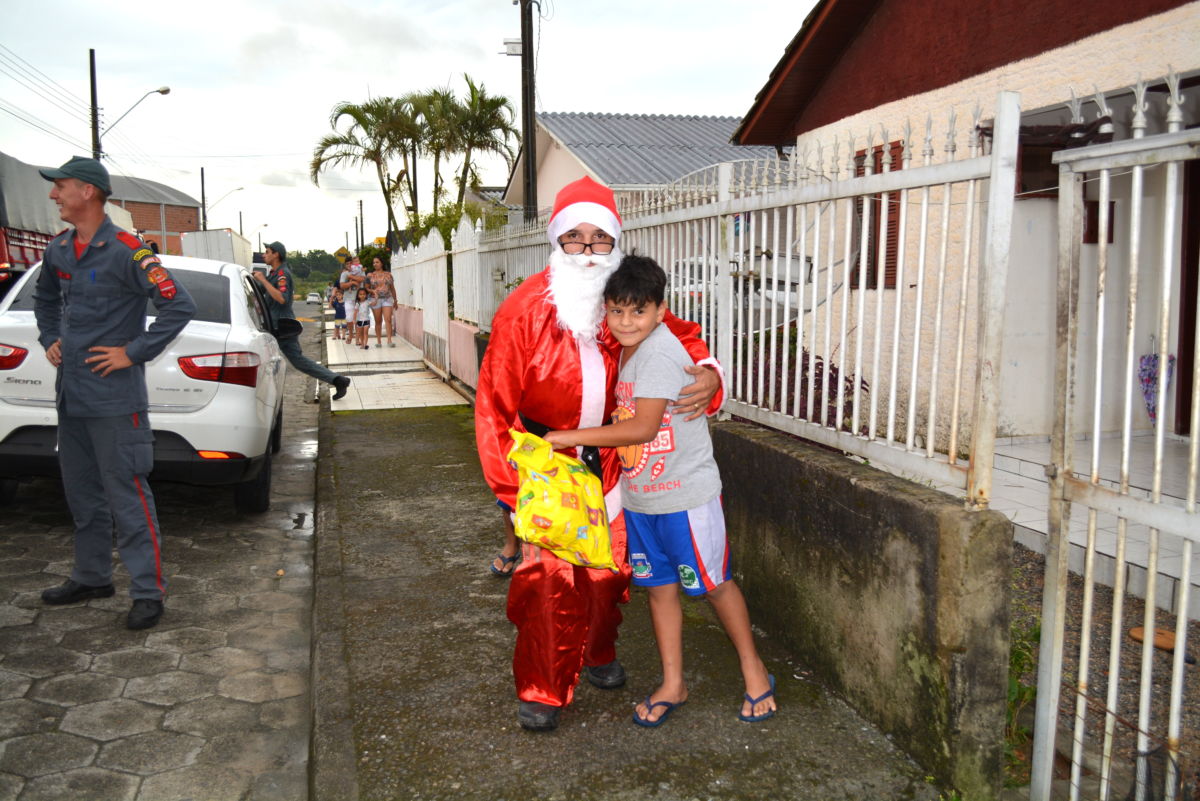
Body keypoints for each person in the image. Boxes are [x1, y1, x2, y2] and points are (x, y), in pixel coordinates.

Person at [474, 176, 724, 732]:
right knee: (547, 583)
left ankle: (598, 651)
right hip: (547, 466)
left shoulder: (625, 303)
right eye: (575, 238)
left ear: (614, 242)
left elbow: (680, 336)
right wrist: (512, 491)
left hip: (612, 463)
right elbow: (492, 405)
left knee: (609, 577)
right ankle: (542, 686)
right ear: (557, 241)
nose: (588, 252)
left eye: (599, 239)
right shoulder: (522, 311)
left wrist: (709, 375)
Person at [546, 255, 776, 727]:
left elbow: (643, 429)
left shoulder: (658, 351)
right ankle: (674, 683)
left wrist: (569, 437)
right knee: (660, 591)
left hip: (685, 501)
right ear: (605, 311)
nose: (626, 321)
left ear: (660, 310)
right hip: (642, 498)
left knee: (715, 586)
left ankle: (755, 670)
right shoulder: (626, 348)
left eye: (639, 312)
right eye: (617, 311)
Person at [33, 156, 196, 630]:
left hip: (114, 400)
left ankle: (148, 593)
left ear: (86, 191)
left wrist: (133, 352)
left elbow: (177, 306)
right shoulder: (59, 250)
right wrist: (49, 339)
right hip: (73, 397)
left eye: (59, 186)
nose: (52, 195)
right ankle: (92, 576)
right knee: (82, 494)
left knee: (128, 497)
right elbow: (45, 300)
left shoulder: (128, 251)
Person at [254, 242, 351, 399]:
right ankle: (338, 380)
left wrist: (263, 281)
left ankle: (338, 380)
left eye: (267, 252)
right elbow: (259, 291)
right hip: (273, 325)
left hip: (282, 326)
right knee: (269, 360)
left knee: (296, 360)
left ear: (276, 254)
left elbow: (282, 299)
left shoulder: (282, 274)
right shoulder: (273, 273)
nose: (264, 255)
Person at [366, 256, 395, 348]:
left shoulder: (388, 275)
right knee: (378, 321)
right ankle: (378, 341)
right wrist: (372, 291)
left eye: (377, 262)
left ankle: (389, 340)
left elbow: (392, 288)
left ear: (381, 263)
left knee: (388, 319)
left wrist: (396, 300)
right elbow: (366, 288)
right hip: (375, 299)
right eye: (374, 263)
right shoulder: (370, 275)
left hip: (387, 298)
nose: (375, 264)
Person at [338, 256, 366, 330]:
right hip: (348, 298)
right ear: (345, 265)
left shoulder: (360, 270)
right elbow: (342, 286)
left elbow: (362, 279)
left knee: (359, 318)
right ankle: (350, 334)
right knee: (349, 318)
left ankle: (358, 337)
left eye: (350, 263)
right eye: (347, 264)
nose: (349, 265)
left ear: (353, 263)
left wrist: (351, 277)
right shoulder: (344, 273)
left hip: (359, 298)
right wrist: (352, 282)